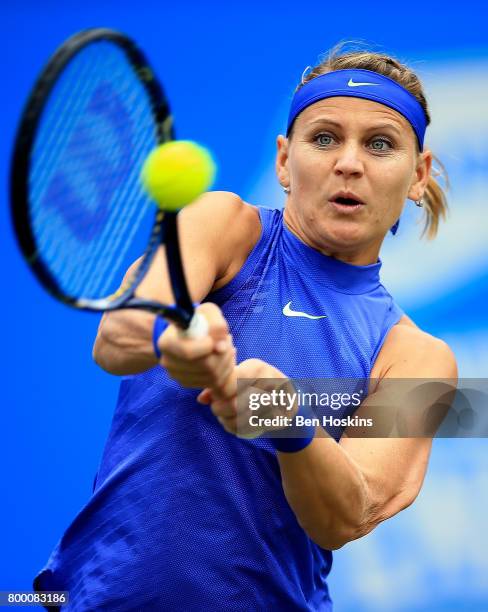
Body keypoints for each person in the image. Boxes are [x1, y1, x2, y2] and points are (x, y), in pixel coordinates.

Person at [34, 43, 457, 611]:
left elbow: (345, 515)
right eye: (324, 138)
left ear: (417, 174)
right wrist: (176, 341)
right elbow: (115, 339)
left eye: (380, 144)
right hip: (92, 597)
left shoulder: (420, 360)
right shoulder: (223, 225)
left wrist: (289, 426)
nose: (349, 163)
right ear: (285, 161)